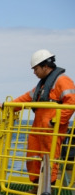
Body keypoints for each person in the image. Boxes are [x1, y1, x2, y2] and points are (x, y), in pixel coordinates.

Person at [11, 49, 75, 186]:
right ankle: (36, 185)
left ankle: (48, 189)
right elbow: (26, 98)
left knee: (49, 158)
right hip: (38, 128)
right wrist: (7, 105)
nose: (34, 72)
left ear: (45, 66)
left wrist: (55, 122)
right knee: (33, 155)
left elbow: (72, 102)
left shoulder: (63, 81)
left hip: (51, 129)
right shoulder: (43, 85)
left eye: (36, 69)